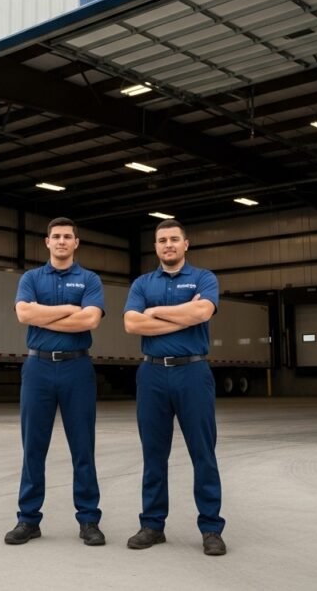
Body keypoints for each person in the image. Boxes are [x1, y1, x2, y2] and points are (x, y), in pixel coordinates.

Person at [123, 219, 227, 556]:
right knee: (154, 454)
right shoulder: (141, 283)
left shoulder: (203, 278)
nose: (168, 245)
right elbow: (130, 322)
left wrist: (154, 313)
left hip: (192, 373)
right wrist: (182, 314)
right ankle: (152, 525)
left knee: (203, 453)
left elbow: (202, 312)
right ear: (155, 246)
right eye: (162, 240)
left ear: (186, 244)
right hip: (152, 375)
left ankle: (211, 528)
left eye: (174, 239)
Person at [4, 217, 106, 546]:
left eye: (67, 237)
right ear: (47, 242)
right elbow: (23, 315)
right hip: (38, 369)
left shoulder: (89, 279)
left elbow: (90, 319)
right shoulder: (31, 278)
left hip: (77, 369)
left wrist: (44, 312)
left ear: (76, 243)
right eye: (56, 236)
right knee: (33, 447)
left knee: (83, 447)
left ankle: (89, 520)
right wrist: (68, 310)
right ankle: (28, 520)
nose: (61, 241)